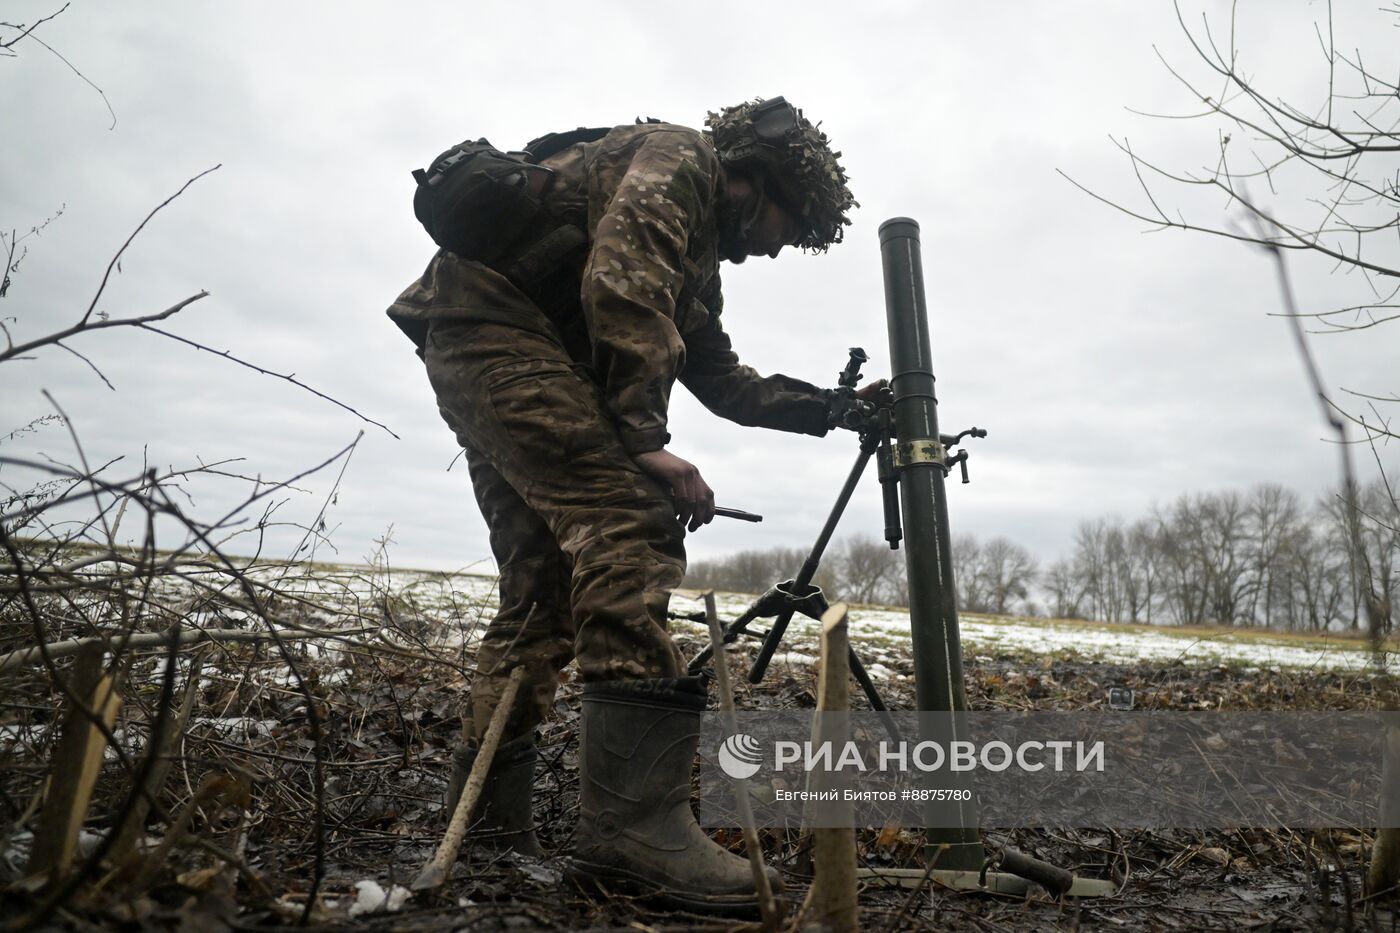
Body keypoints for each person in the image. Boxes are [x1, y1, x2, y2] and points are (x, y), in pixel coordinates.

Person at [387, 96, 871, 911]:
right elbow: (623, 281)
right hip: (495, 333)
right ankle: (635, 830)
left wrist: (831, 408)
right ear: (761, 179)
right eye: (790, 224)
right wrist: (646, 441)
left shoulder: (698, 262)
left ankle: (491, 825)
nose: (782, 246)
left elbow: (721, 378)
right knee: (630, 523)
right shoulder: (682, 161)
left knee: (543, 593)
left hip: (477, 338)